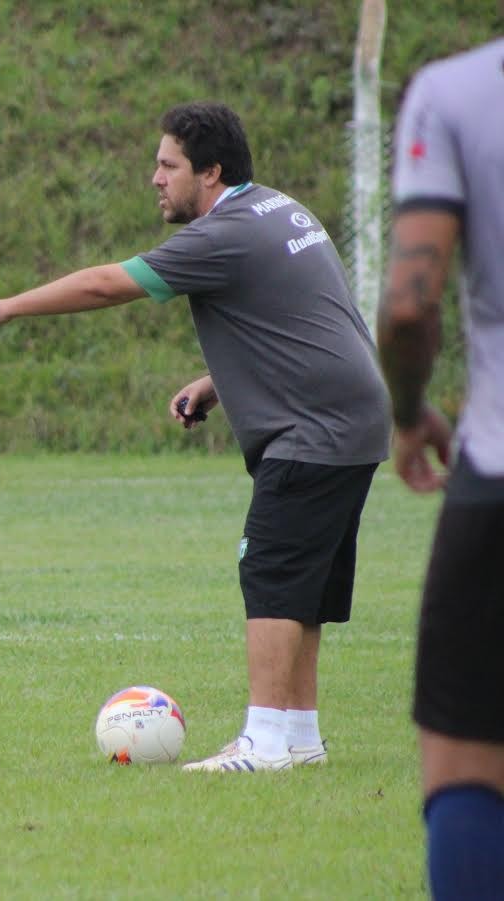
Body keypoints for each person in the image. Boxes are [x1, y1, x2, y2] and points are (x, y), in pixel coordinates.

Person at [0, 102, 390, 772]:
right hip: (352, 418)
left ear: (210, 172)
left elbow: (106, 286)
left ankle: (265, 741)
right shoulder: (279, 210)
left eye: (168, 165)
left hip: (314, 428)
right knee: (302, 584)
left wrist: (8, 305)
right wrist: (217, 381)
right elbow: (301, 318)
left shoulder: (223, 234)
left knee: (271, 570)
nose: (155, 178)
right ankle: (299, 737)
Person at [378, 30, 504, 898]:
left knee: (469, 766)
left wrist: (407, 411)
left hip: (496, 475)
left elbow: (408, 305)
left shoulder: (455, 93)